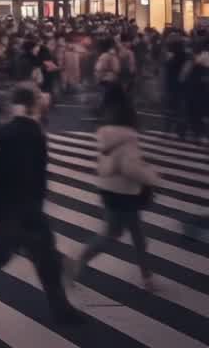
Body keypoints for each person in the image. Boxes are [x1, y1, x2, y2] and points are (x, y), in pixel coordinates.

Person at [0, 87, 82, 324]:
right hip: (27, 208)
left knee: (3, 256)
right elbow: (37, 173)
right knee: (44, 261)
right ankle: (62, 310)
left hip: (7, 208)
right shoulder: (35, 132)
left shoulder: (3, 132)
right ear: (31, 104)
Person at [68, 87, 160, 290]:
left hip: (109, 189)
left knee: (134, 234)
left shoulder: (105, 132)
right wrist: (152, 177)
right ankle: (78, 261)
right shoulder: (127, 136)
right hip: (125, 192)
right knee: (113, 234)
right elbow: (130, 167)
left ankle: (147, 276)